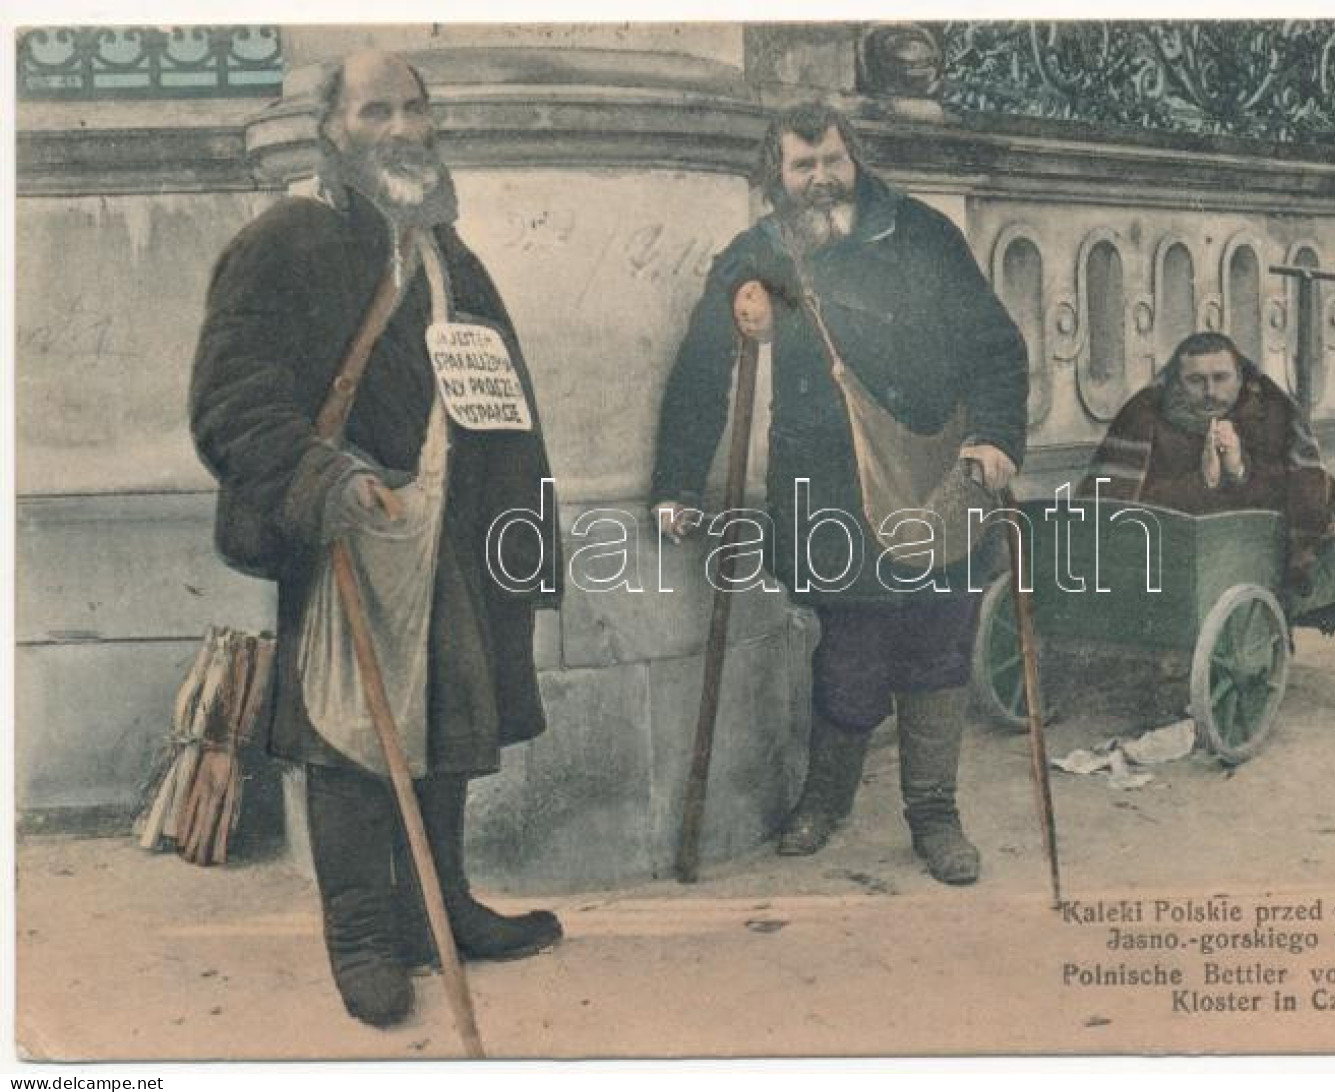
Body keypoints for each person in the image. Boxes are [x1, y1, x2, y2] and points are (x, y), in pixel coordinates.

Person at [190, 50, 564, 1028]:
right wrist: (328, 479)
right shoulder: (287, 240)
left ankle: (437, 912)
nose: (401, 128)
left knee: (447, 718)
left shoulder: (447, 255)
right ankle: (361, 938)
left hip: (451, 534)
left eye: (413, 109)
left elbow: (496, 393)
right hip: (350, 534)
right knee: (352, 734)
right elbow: (234, 396)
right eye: (375, 111)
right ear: (333, 132)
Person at [650, 104, 1028, 886]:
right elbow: (700, 366)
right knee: (850, 644)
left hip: (935, 474)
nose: (820, 179)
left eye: (831, 160)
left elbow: (995, 344)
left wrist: (993, 436)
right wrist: (678, 482)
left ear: (853, 157)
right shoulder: (759, 254)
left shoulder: (922, 232)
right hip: (826, 487)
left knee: (938, 640)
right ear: (775, 176)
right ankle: (825, 800)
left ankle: (933, 815)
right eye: (801, 165)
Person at [1086, 331, 1335, 587]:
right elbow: (1121, 509)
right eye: (1196, 380)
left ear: (1240, 377)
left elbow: (1297, 493)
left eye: (1221, 378)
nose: (1210, 391)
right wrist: (1205, 481)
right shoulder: (1144, 417)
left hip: (1252, 552)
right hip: (1167, 559)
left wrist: (1238, 470)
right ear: (1176, 381)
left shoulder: (1270, 412)